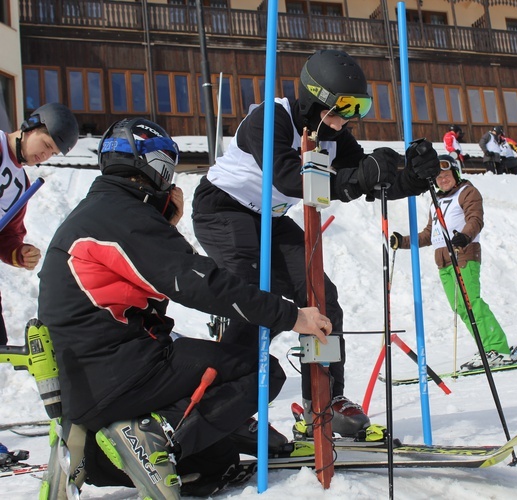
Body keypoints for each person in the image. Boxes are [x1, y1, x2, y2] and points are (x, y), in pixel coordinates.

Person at [37, 117, 333, 498]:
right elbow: (199, 282)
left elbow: (150, 280)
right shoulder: (124, 217)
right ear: (153, 165)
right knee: (259, 373)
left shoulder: (100, 211)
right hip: (117, 370)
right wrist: (292, 316)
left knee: (217, 461)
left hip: (90, 380)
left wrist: (165, 224)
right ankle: (154, 437)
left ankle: (98, 453)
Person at [191, 49, 440, 439]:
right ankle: (222, 405)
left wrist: (411, 177)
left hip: (269, 218)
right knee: (258, 298)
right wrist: (355, 180)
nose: (349, 120)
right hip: (223, 209)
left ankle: (323, 402)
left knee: (322, 297)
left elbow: (368, 180)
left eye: (359, 109)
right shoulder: (270, 118)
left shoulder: (332, 133)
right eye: (343, 109)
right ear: (314, 100)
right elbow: (291, 179)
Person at [389, 155, 517, 371]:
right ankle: (487, 345)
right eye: (438, 177)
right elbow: (429, 234)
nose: (443, 180)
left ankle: (497, 347)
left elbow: (475, 219)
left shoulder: (467, 192)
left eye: (447, 175)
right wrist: (402, 241)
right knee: (460, 307)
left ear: (455, 174)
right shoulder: (436, 201)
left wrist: (464, 237)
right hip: (443, 261)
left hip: (463, 254)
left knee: (471, 303)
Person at [1, 103, 78, 346]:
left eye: (52, 153)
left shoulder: (21, 184)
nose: (45, 156)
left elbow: (8, 234)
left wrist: (18, 252)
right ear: (31, 126)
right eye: (46, 145)